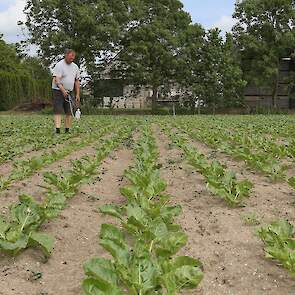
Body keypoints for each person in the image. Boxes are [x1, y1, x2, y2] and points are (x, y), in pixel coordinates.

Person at [52, 49, 80, 134]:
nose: (72, 58)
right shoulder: (59, 65)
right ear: (66, 55)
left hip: (70, 91)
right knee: (58, 109)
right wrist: (63, 90)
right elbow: (57, 80)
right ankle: (57, 129)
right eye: (71, 57)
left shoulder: (75, 67)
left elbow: (77, 81)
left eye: (73, 57)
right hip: (58, 90)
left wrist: (78, 94)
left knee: (69, 111)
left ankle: (67, 129)